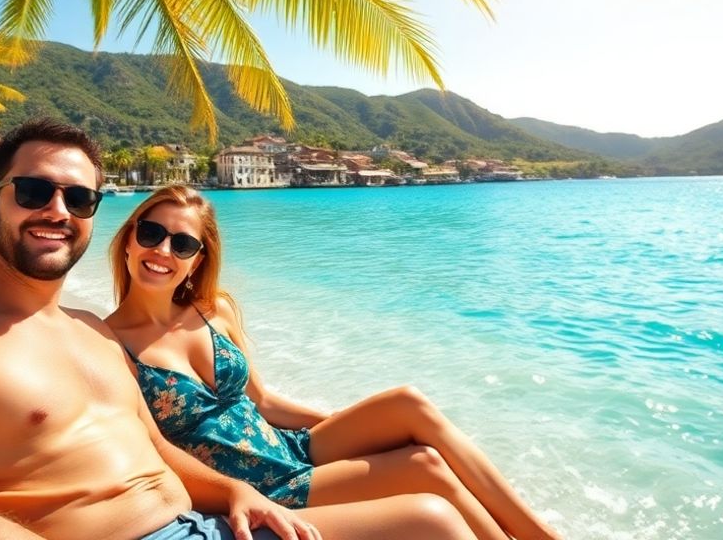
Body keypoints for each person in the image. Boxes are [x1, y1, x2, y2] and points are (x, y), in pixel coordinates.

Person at [0, 119, 476, 540]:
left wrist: (232, 491)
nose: (57, 211)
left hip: (207, 524)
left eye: (78, 199)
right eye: (33, 191)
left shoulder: (92, 333)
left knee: (432, 519)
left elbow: (155, 449)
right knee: (431, 521)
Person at [105, 187, 562, 540]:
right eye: (151, 233)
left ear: (196, 259)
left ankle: (539, 535)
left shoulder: (213, 311)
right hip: (257, 485)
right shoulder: (109, 345)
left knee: (408, 406)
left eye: (182, 243)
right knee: (424, 466)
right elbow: (148, 454)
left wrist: (355, 431)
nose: (163, 251)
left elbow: (263, 402)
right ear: (129, 238)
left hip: (288, 448)